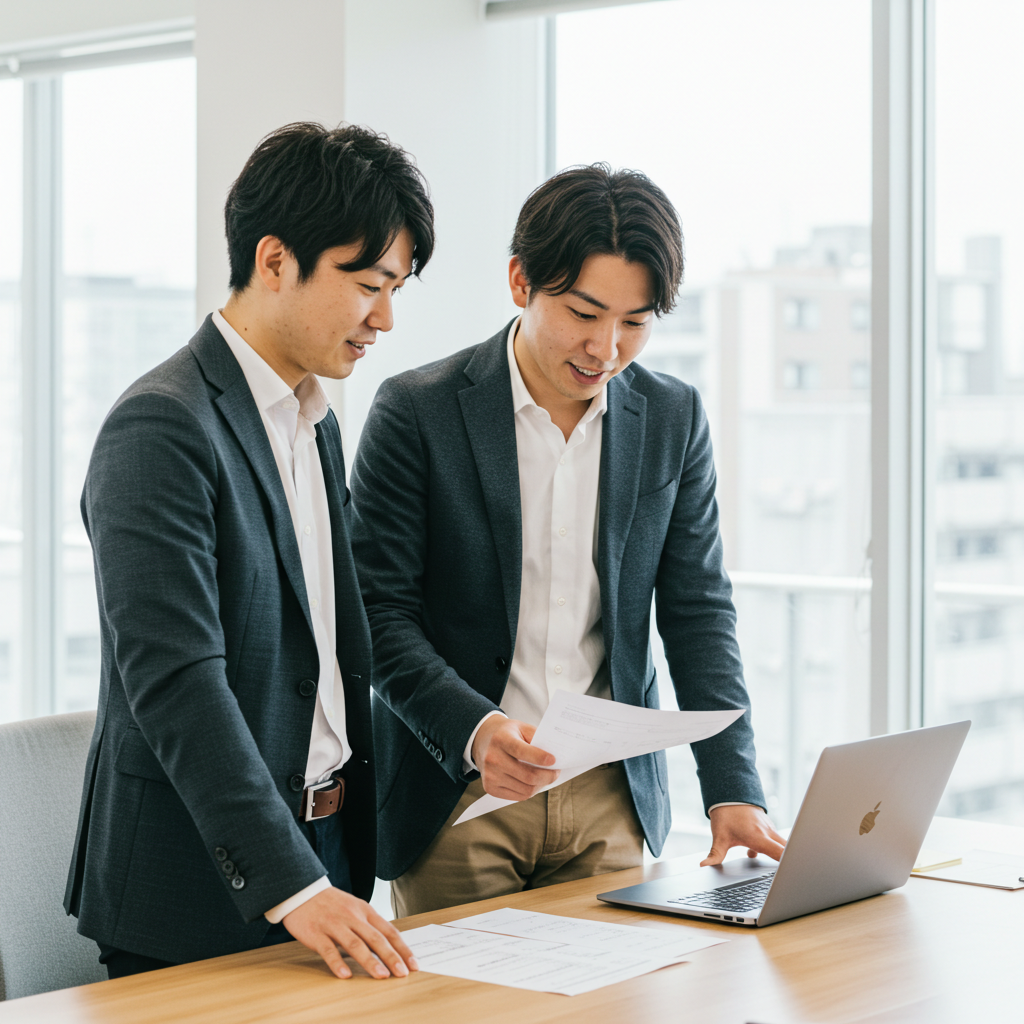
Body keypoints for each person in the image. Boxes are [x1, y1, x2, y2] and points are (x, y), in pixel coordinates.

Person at [350, 164, 785, 917]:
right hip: (460, 798)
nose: (606, 348)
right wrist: (476, 731)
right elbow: (376, 613)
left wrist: (733, 789)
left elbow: (697, 611)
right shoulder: (415, 412)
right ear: (521, 281)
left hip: (611, 802)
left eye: (636, 322)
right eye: (584, 312)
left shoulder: (673, 419)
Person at [64, 122, 433, 979]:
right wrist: (291, 882)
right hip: (205, 888)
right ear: (275, 261)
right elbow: (176, 681)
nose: (384, 317)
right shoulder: (161, 425)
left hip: (329, 857)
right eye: (369, 283)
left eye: (396, 288)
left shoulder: (315, 421)